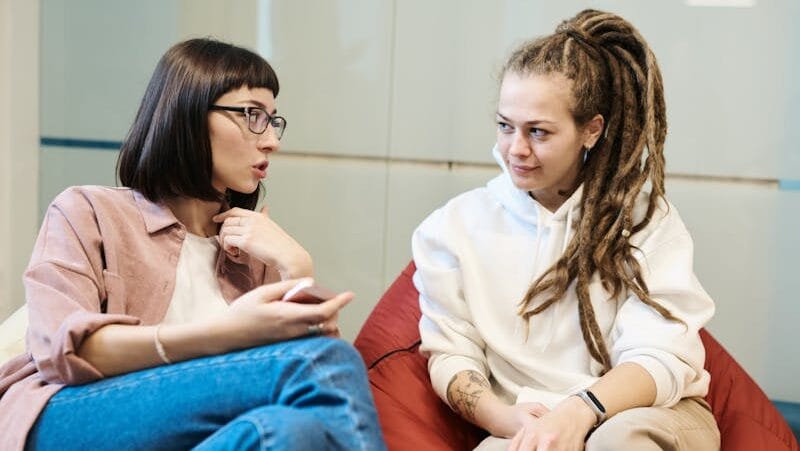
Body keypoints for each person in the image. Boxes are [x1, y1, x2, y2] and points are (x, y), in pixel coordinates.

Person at [0, 38, 386, 451]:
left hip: (191, 438)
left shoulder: (254, 252)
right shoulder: (88, 211)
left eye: (274, 121)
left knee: (289, 432)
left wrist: (296, 267)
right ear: (187, 114)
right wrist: (226, 333)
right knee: (328, 362)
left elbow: (309, 399)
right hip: (68, 419)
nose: (271, 140)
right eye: (253, 115)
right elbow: (59, 352)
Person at [412, 9, 720, 451]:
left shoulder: (643, 220)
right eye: (505, 126)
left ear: (591, 130)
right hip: (532, 418)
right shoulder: (451, 227)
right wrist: (506, 419)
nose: (516, 149)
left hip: (644, 414)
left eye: (538, 132)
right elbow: (451, 354)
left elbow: (660, 355)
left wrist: (580, 411)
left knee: (615, 443)